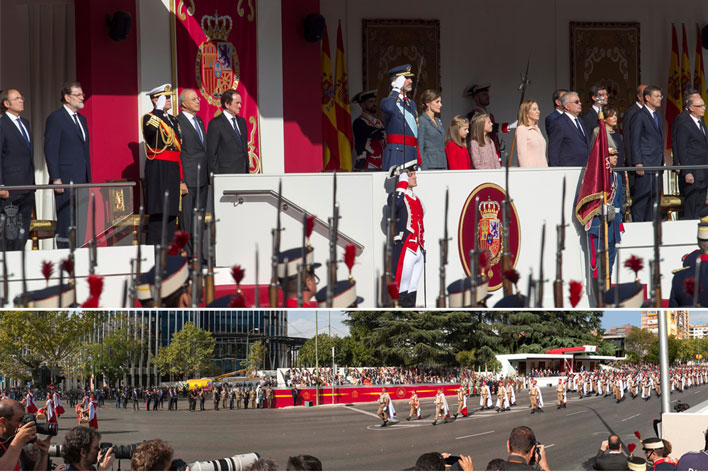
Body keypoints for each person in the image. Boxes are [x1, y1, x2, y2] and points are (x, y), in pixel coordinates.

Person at [44, 81, 91, 248]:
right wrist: (56, 177)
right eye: (78, 95)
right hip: (65, 180)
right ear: (67, 97)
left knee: (81, 223)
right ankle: (65, 259)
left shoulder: (82, 120)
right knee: (66, 222)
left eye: (82, 94)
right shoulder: (56, 118)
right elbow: (50, 150)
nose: (82, 97)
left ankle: (78, 254)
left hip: (82, 180)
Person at [141, 84, 184, 245]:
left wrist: (181, 178)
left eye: (169, 97)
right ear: (155, 100)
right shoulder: (149, 117)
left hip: (172, 168)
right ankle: (155, 251)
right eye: (164, 97)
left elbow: (179, 147)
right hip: (158, 167)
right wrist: (158, 111)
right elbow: (150, 132)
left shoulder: (173, 120)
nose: (168, 100)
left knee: (172, 210)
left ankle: (170, 250)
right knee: (159, 210)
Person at [0, 89, 35, 251]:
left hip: (27, 185)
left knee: (23, 228)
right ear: (7, 104)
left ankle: (20, 262)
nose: (22, 100)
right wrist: (1, 185)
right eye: (17, 98)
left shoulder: (25, 123)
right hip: (10, 187)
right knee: (9, 230)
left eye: (22, 97)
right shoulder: (2, 124)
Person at [176, 88, 208, 257]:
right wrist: (181, 180)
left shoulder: (200, 121)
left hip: (202, 177)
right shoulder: (177, 122)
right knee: (188, 220)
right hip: (188, 178)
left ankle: (198, 254)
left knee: (199, 219)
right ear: (184, 104)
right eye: (194, 99)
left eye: (198, 98)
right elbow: (178, 152)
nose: (198, 101)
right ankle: (189, 256)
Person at [389, 168, 425, 308]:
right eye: (411, 175)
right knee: (402, 286)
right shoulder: (398, 196)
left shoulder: (417, 198)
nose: (415, 177)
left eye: (415, 174)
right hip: (407, 247)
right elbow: (395, 205)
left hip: (419, 248)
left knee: (413, 287)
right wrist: (401, 184)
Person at [630, 85, 665, 222]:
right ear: (647, 98)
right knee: (641, 200)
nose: (659, 99)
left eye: (660, 96)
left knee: (654, 200)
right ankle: (639, 229)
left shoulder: (657, 115)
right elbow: (635, 140)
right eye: (656, 96)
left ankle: (651, 230)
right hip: (645, 164)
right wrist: (638, 162)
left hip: (657, 164)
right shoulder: (639, 115)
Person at [673, 91, 708, 219]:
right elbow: (681, 148)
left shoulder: (700, 120)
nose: (704, 108)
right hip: (693, 171)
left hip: (703, 170)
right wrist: (687, 171)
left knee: (700, 203)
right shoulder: (684, 122)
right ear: (692, 108)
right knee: (691, 204)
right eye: (700, 106)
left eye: (704, 105)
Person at [381, 65, 419, 170]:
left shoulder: (412, 104)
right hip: (396, 152)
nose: (410, 81)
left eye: (410, 78)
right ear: (396, 80)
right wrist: (396, 89)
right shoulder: (387, 101)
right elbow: (389, 108)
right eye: (406, 78)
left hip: (411, 151)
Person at [464, 83, 516, 157]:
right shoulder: (473, 115)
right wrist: (508, 126)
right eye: (484, 95)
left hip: (494, 151)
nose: (487, 97)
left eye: (487, 94)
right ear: (476, 97)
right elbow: (491, 128)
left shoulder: (490, 115)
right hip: (483, 153)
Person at [207, 89, 249, 174]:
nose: (240, 106)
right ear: (227, 104)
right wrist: (217, 177)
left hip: (243, 173)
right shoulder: (216, 123)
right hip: (225, 174)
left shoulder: (242, 122)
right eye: (237, 103)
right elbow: (212, 154)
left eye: (240, 103)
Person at [0, 399, 51, 471]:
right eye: (19, 420)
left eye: (24, 419)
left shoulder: (14, 441)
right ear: (2, 422)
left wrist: (43, 455)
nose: (22, 425)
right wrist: (18, 441)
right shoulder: (16, 443)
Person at [548, 91, 591, 166]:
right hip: (568, 168)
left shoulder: (580, 121)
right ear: (567, 106)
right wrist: (555, 170)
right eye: (576, 102)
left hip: (584, 167)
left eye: (580, 101)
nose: (580, 103)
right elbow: (553, 150)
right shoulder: (559, 123)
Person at [352, 90, 385, 171]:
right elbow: (375, 133)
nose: (374, 104)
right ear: (362, 105)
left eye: (374, 101)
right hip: (366, 162)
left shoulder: (379, 122)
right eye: (370, 102)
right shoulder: (359, 122)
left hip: (380, 162)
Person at [417, 89, 446, 170]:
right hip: (429, 164)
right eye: (437, 102)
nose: (440, 105)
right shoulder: (422, 120)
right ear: (428, 103)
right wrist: (423, 167)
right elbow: (420, 145)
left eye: (440, 102)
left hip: (442, 163)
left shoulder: (438, 121)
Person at [623, 84, 649, 172]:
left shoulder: (649, 112)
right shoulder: (631, 112)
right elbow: (628, 138)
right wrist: (633, 163)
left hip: (648, 162)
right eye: (646, 95)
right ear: (639, 97)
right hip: (637, 164)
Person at [516, 100, 548, 167]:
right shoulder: (522, 129)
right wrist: (526, 172)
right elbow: (521, 155)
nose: (538, 112)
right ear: (526, 113)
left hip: (542, 170)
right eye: (534, 109)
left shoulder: (537, 129)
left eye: (538, 109)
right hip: (531, 171)